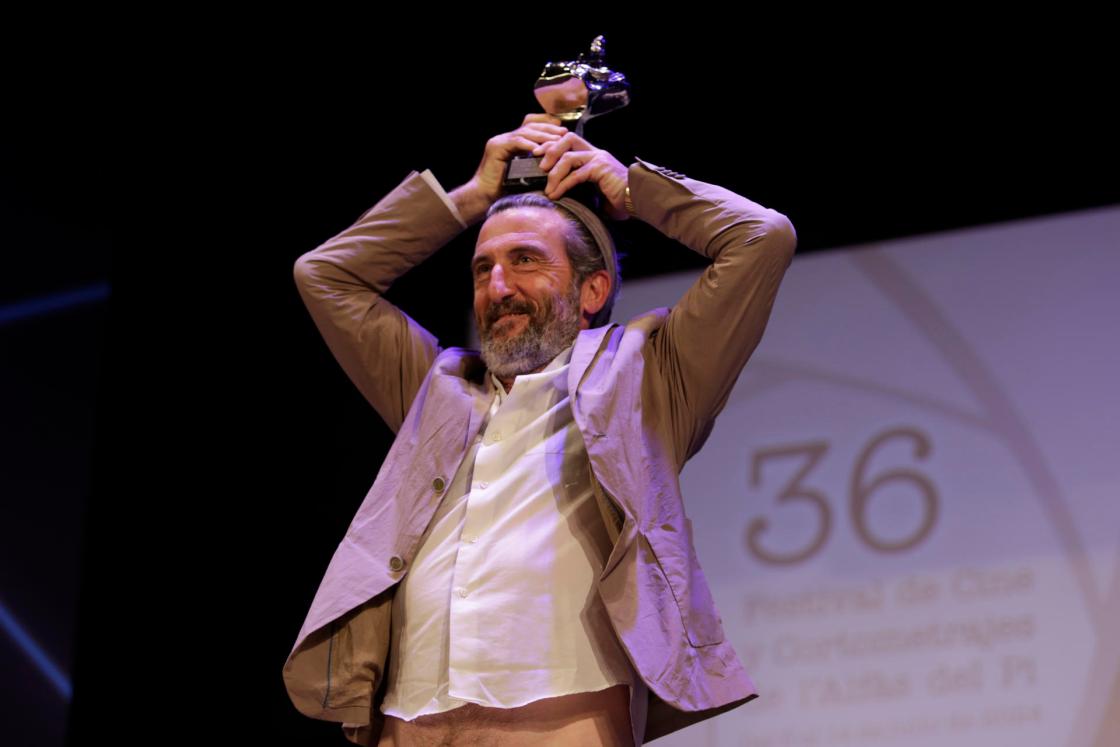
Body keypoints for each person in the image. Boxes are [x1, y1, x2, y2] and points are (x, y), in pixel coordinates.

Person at [282, 114, 797, 746]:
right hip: (408, 719)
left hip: (562, 714)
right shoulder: (438, 387)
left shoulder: (650, 373)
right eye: (482, 268)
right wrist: (468, 197)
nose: (499, 287)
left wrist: (630, 190)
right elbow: (325, 274)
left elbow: (762, 237)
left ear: (593, 289)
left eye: (525, 260)